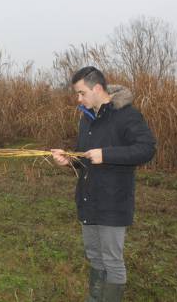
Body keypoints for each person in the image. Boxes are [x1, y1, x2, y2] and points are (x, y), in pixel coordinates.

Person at [51, 67, 156, 302]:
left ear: (97, 89)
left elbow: (147, 149)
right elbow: (85, 157)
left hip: (113, 201)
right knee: (94, 256)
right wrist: (69, 160)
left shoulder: (127, 115)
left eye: (82, 93)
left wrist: (106, 155)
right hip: (89, 199)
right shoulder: (87, 118)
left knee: (112, 260)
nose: (79, 99)